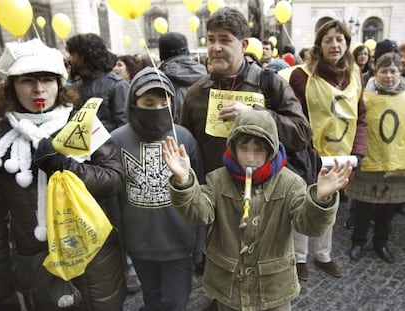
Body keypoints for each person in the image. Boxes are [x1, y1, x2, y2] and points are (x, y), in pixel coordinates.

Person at [162, 109, 353, 311]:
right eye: (243, 148)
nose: (251, 158)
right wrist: (184, 182)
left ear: (271, 150)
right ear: (233, 147)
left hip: (273, 290)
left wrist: (320, 199)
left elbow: (309, 225)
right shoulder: (218, 179)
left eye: (259, 149)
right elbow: (198, 213)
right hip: (229, 287)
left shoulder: (290, 183)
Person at [0, 38, 127, 311]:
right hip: (36, 265)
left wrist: (63, 165)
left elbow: (115, 179)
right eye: (27, 81)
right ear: (12, 87)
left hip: (94, 261)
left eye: (47, 80)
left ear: (59, 84)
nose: (39, 89)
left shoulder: (83, 123)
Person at [111, 66, 205, 311]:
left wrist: (199, 243)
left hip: (179, 241)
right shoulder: (117, 140)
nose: (156, 109)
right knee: (151, 298)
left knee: (176, 302)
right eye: (148, 103)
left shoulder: (184, 137)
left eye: (164, 103)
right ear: (134, 103)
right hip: (140, 243)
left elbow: (200, 191)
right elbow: (114, 195)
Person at [180, 6, 312, 175]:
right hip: (213, 196)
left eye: (225, 40)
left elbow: (301, 135)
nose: (216, 47)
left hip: (265, 196)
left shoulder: (271, 84)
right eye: (211, 39)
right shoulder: (195, 94)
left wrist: (254, 116)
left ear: (243, 45)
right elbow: (186, 151)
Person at [288, 19, 368, 281]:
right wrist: (301, 153)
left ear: (346, 43)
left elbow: (361, 117)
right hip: (308, 155)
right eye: (328, 40)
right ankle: (299, 257)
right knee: (304, 202)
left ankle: (323, 255)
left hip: (341, 156)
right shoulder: (301, 76)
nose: (334, 44)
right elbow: (293, 116)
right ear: (319, 45)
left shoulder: (355, 75)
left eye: (339, 39)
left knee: (330, 204)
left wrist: (358, 152)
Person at [347, 53, 405, 264]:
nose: (388, 76)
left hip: (395, 163)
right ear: (375, 71)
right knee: (363, 207)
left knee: (386, 210)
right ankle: (358, 242)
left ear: (399, 72)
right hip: (369, 160)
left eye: (393, 71)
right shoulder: (364, 96)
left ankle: (381, 243)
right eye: (384, 71)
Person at [65, 33, 129, 132]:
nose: (69, 59)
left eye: (73, 54)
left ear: (85, 55)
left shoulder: (117, 85)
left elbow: (124, 126)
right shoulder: (75, 87)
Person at [158, 32, 207, 123]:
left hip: (174, 134)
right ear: (187, 51)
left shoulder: (159, 78)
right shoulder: (205, 73)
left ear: (162, 54)